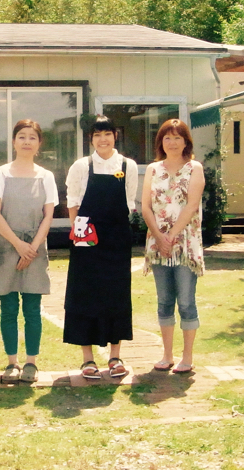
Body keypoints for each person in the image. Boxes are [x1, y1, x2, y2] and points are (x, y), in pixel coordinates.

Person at [63, 115, 139, 380]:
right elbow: (73, 203)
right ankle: (88, 359)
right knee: (84, 294)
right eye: (97, 135)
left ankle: (115, 357)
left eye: (107, 133)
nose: (102, 139)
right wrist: (81, 236)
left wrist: (116, 234)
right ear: (91, 139)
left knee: (116, 295)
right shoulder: (81, 166)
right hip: (86, 239)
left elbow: (129, 203)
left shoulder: (128, 166)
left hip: (117, 240)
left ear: (115, 136)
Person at [0, 119, 58, 384]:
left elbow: (48, 215)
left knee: (32, 309)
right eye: (22, 136)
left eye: (32, 137)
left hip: (35, 248)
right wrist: (18, 244)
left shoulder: (46, 176)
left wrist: (32, 248)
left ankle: (31, 363)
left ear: (39, 144)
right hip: (6, 246)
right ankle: (11, 362)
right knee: (8, 308)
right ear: (14, 141)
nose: (27, 141)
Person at [141, 119, 205, 374]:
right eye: (167, 137)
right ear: (161, 142)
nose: (172, 142)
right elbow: (145, 206)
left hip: (185, 245)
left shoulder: (194, 168)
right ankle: (167, 355)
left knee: (186, 301)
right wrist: (159, 237)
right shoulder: (153, 169)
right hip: (158, 246)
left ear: (186, 141)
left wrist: (171, 236)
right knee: (164, 301)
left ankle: (187, 357)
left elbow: (192, 205)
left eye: (178, 137)